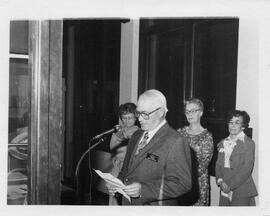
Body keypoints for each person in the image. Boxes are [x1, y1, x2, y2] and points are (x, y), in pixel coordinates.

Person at [108, 89, 192, 205]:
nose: (140, 119)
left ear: (161, 112)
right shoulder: (136, 135)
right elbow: (126, 170)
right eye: (138, 113)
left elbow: (182, 183)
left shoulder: (176, 141)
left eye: (145, 114)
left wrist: (143, 190)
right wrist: (117, 183)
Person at [215, 110, 258, 206]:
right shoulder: (223, 142)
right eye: (230, 122)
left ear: (243, 126)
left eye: (237, 122)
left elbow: (246, 169)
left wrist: (229, 185)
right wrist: (220, 181)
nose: (233, 125)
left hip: (241, 189)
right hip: (223, 187)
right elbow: (218, 165)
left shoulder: (249, 143)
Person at [177, 98, 213, 206]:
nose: (190, 114)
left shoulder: (207, 136)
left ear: (201, 113)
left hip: (197, 185)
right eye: (187, 111)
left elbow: (202, 166)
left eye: (193, 111)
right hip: (179, 183)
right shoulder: (179, 132)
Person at [108, 102, 139, 205]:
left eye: (129, 118)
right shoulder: (119, 131)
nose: (126, 121)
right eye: (124, 118)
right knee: (113, 199)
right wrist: (119, 134)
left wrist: (123, 134)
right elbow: (112, 148)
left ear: (135, 118)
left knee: (126, 199)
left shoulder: (138, 132)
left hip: (128, 169)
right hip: (117, 168)